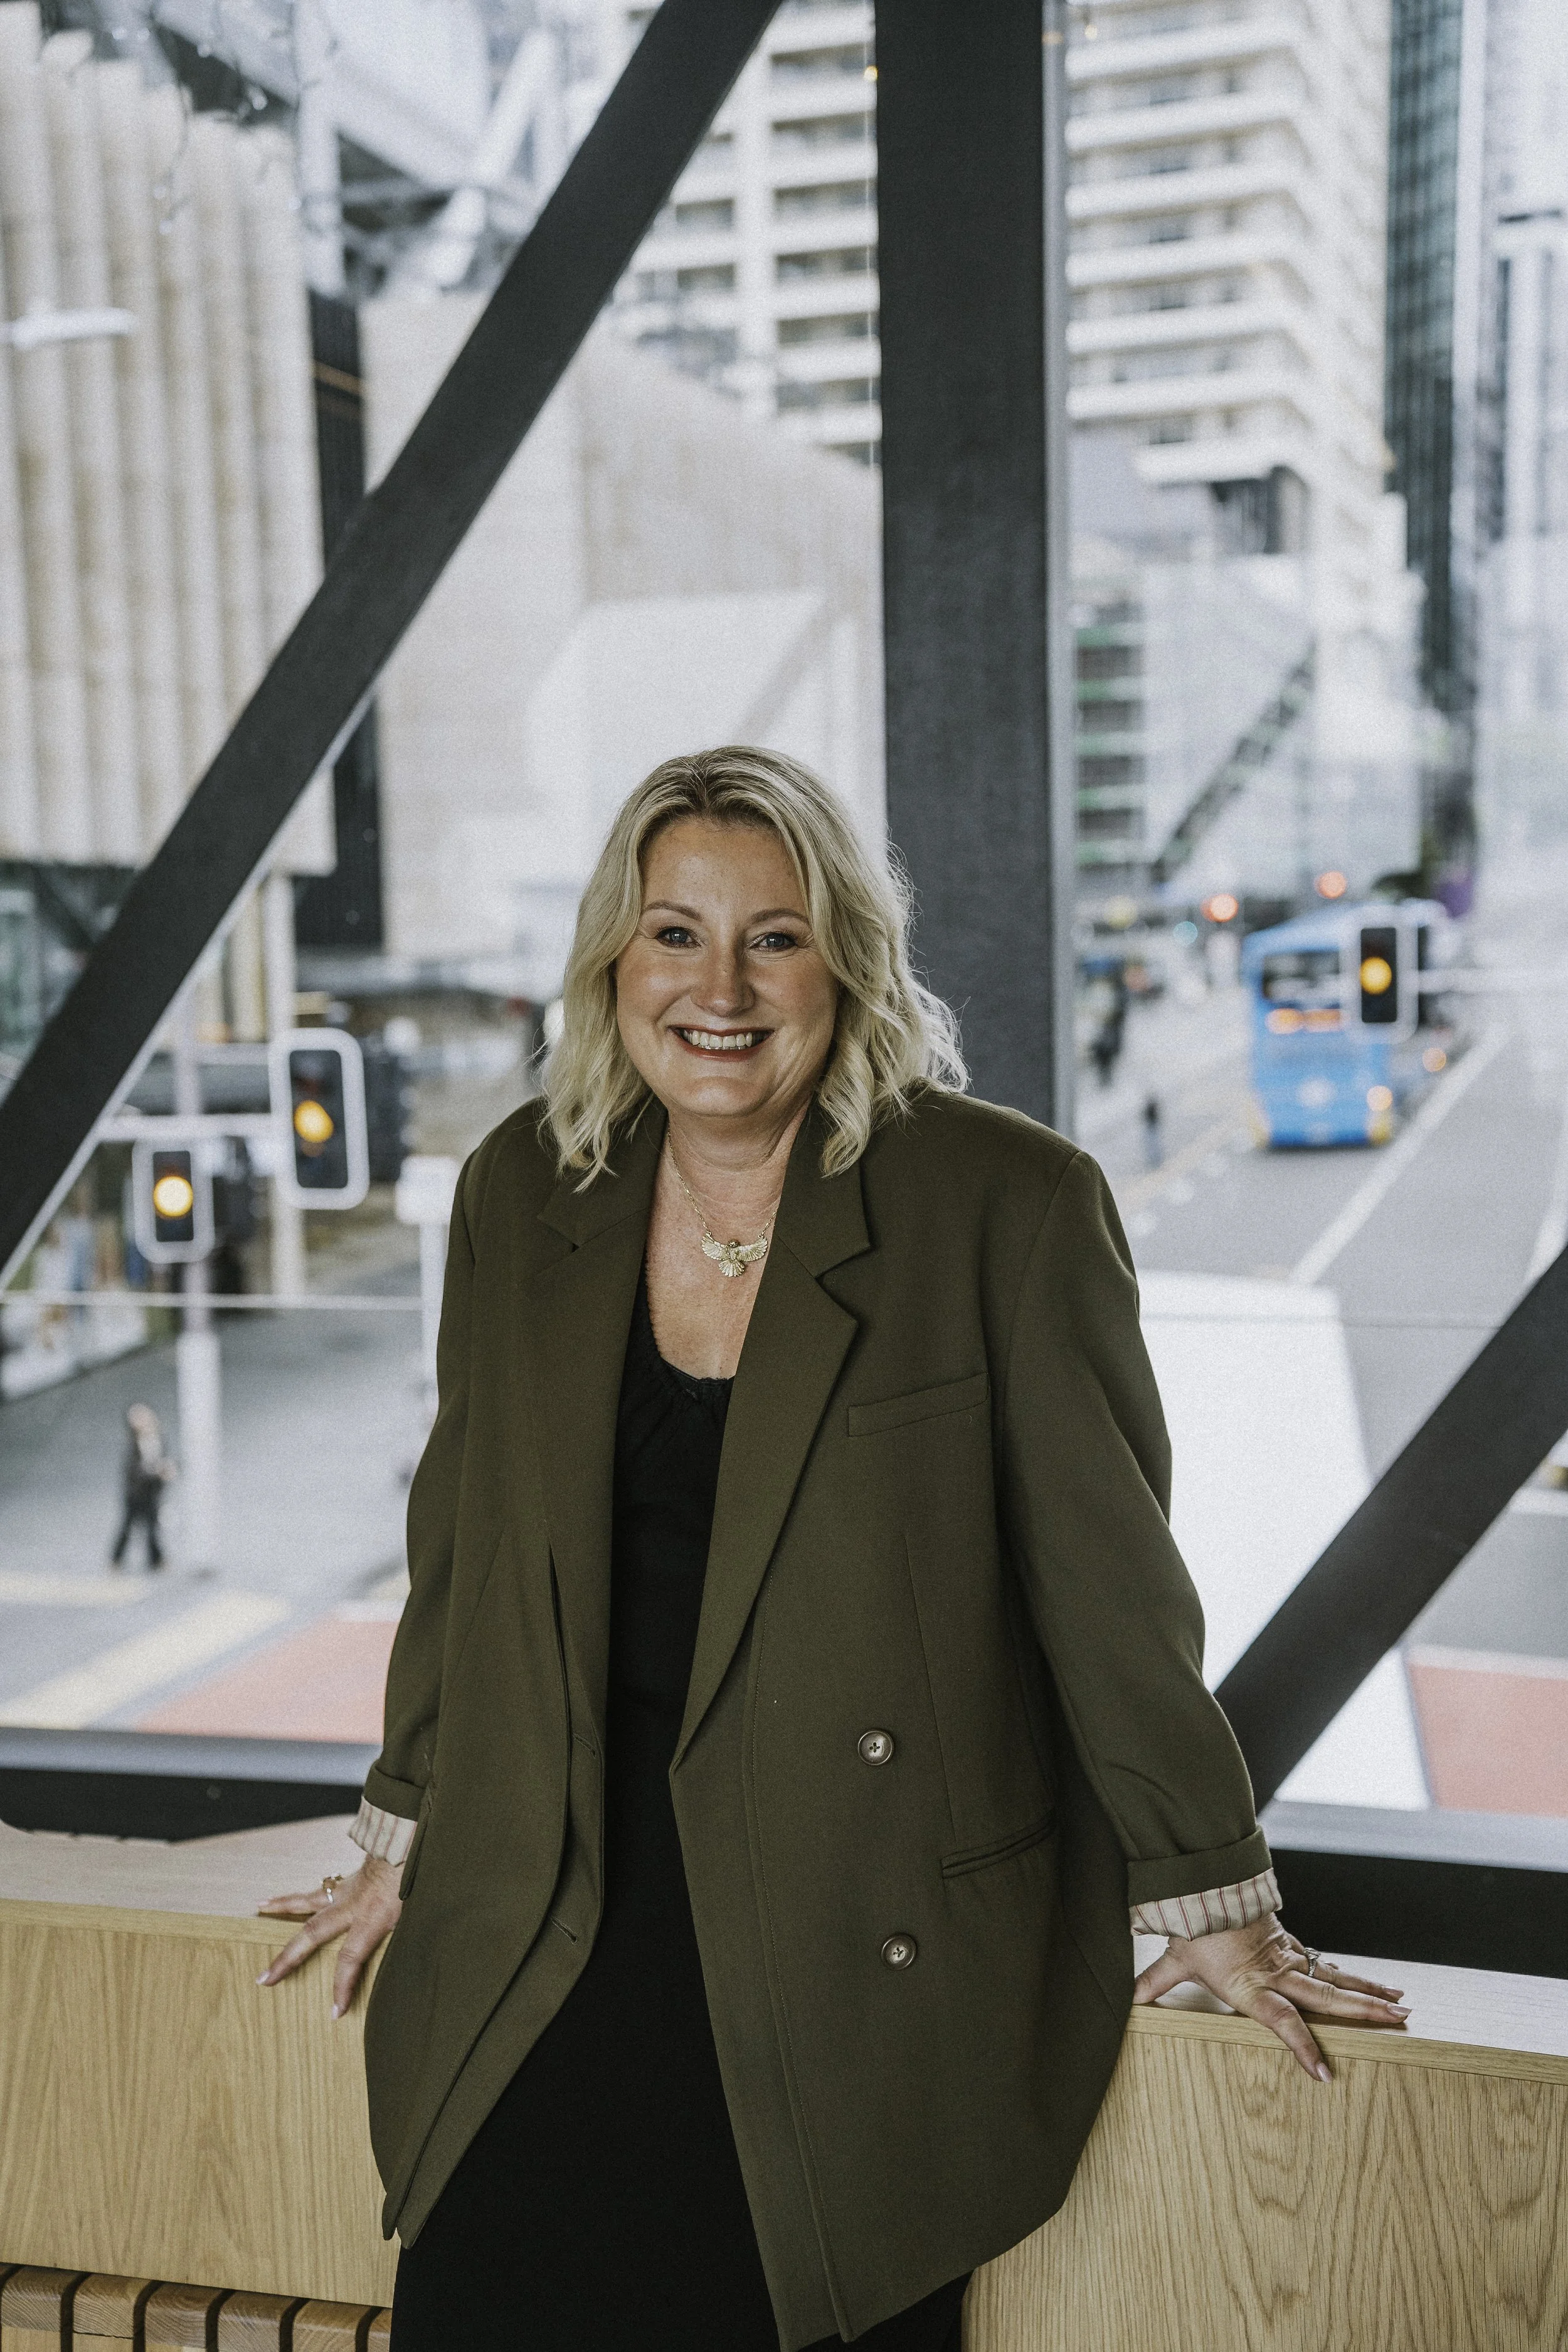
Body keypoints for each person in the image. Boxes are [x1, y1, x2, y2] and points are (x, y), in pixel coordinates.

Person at [258, 748, 1409, 2351]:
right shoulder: (527, 1189)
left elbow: (1109, 1585)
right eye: (674, 933)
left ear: (847, 960)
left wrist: (1204, 1879)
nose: (718, 986)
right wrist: (403, 1812)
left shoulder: (1005, 1200)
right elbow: (465, 1532)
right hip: (552, 1919)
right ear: (612, 957)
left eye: (774, 936)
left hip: (848, 1945)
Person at [110, 1403, 174, 1571]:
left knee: (152, 1527)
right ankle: (116, 1558)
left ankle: (156, 1560)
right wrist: (157, 1473)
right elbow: (135, 1471)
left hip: (152, 1493)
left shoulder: (158, 1439)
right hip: (136, 1495)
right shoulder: (133, 1445)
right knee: (127, 1527)